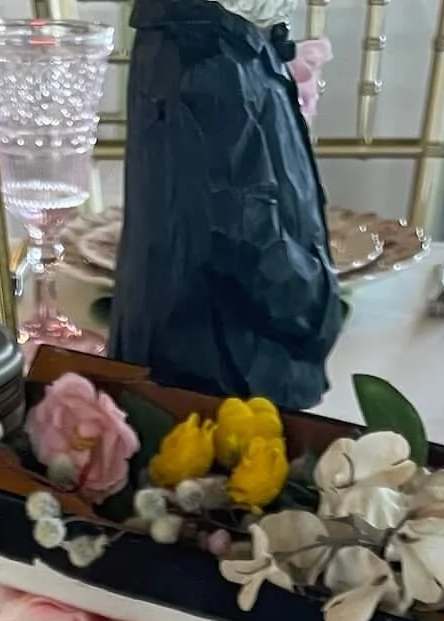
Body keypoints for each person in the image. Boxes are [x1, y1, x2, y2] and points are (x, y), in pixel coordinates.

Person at [107, 0, 341, 406]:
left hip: (211, 360)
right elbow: (245, 233)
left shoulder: (223, 47)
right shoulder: (212, 64)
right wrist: (316, 302)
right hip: (227, 373)